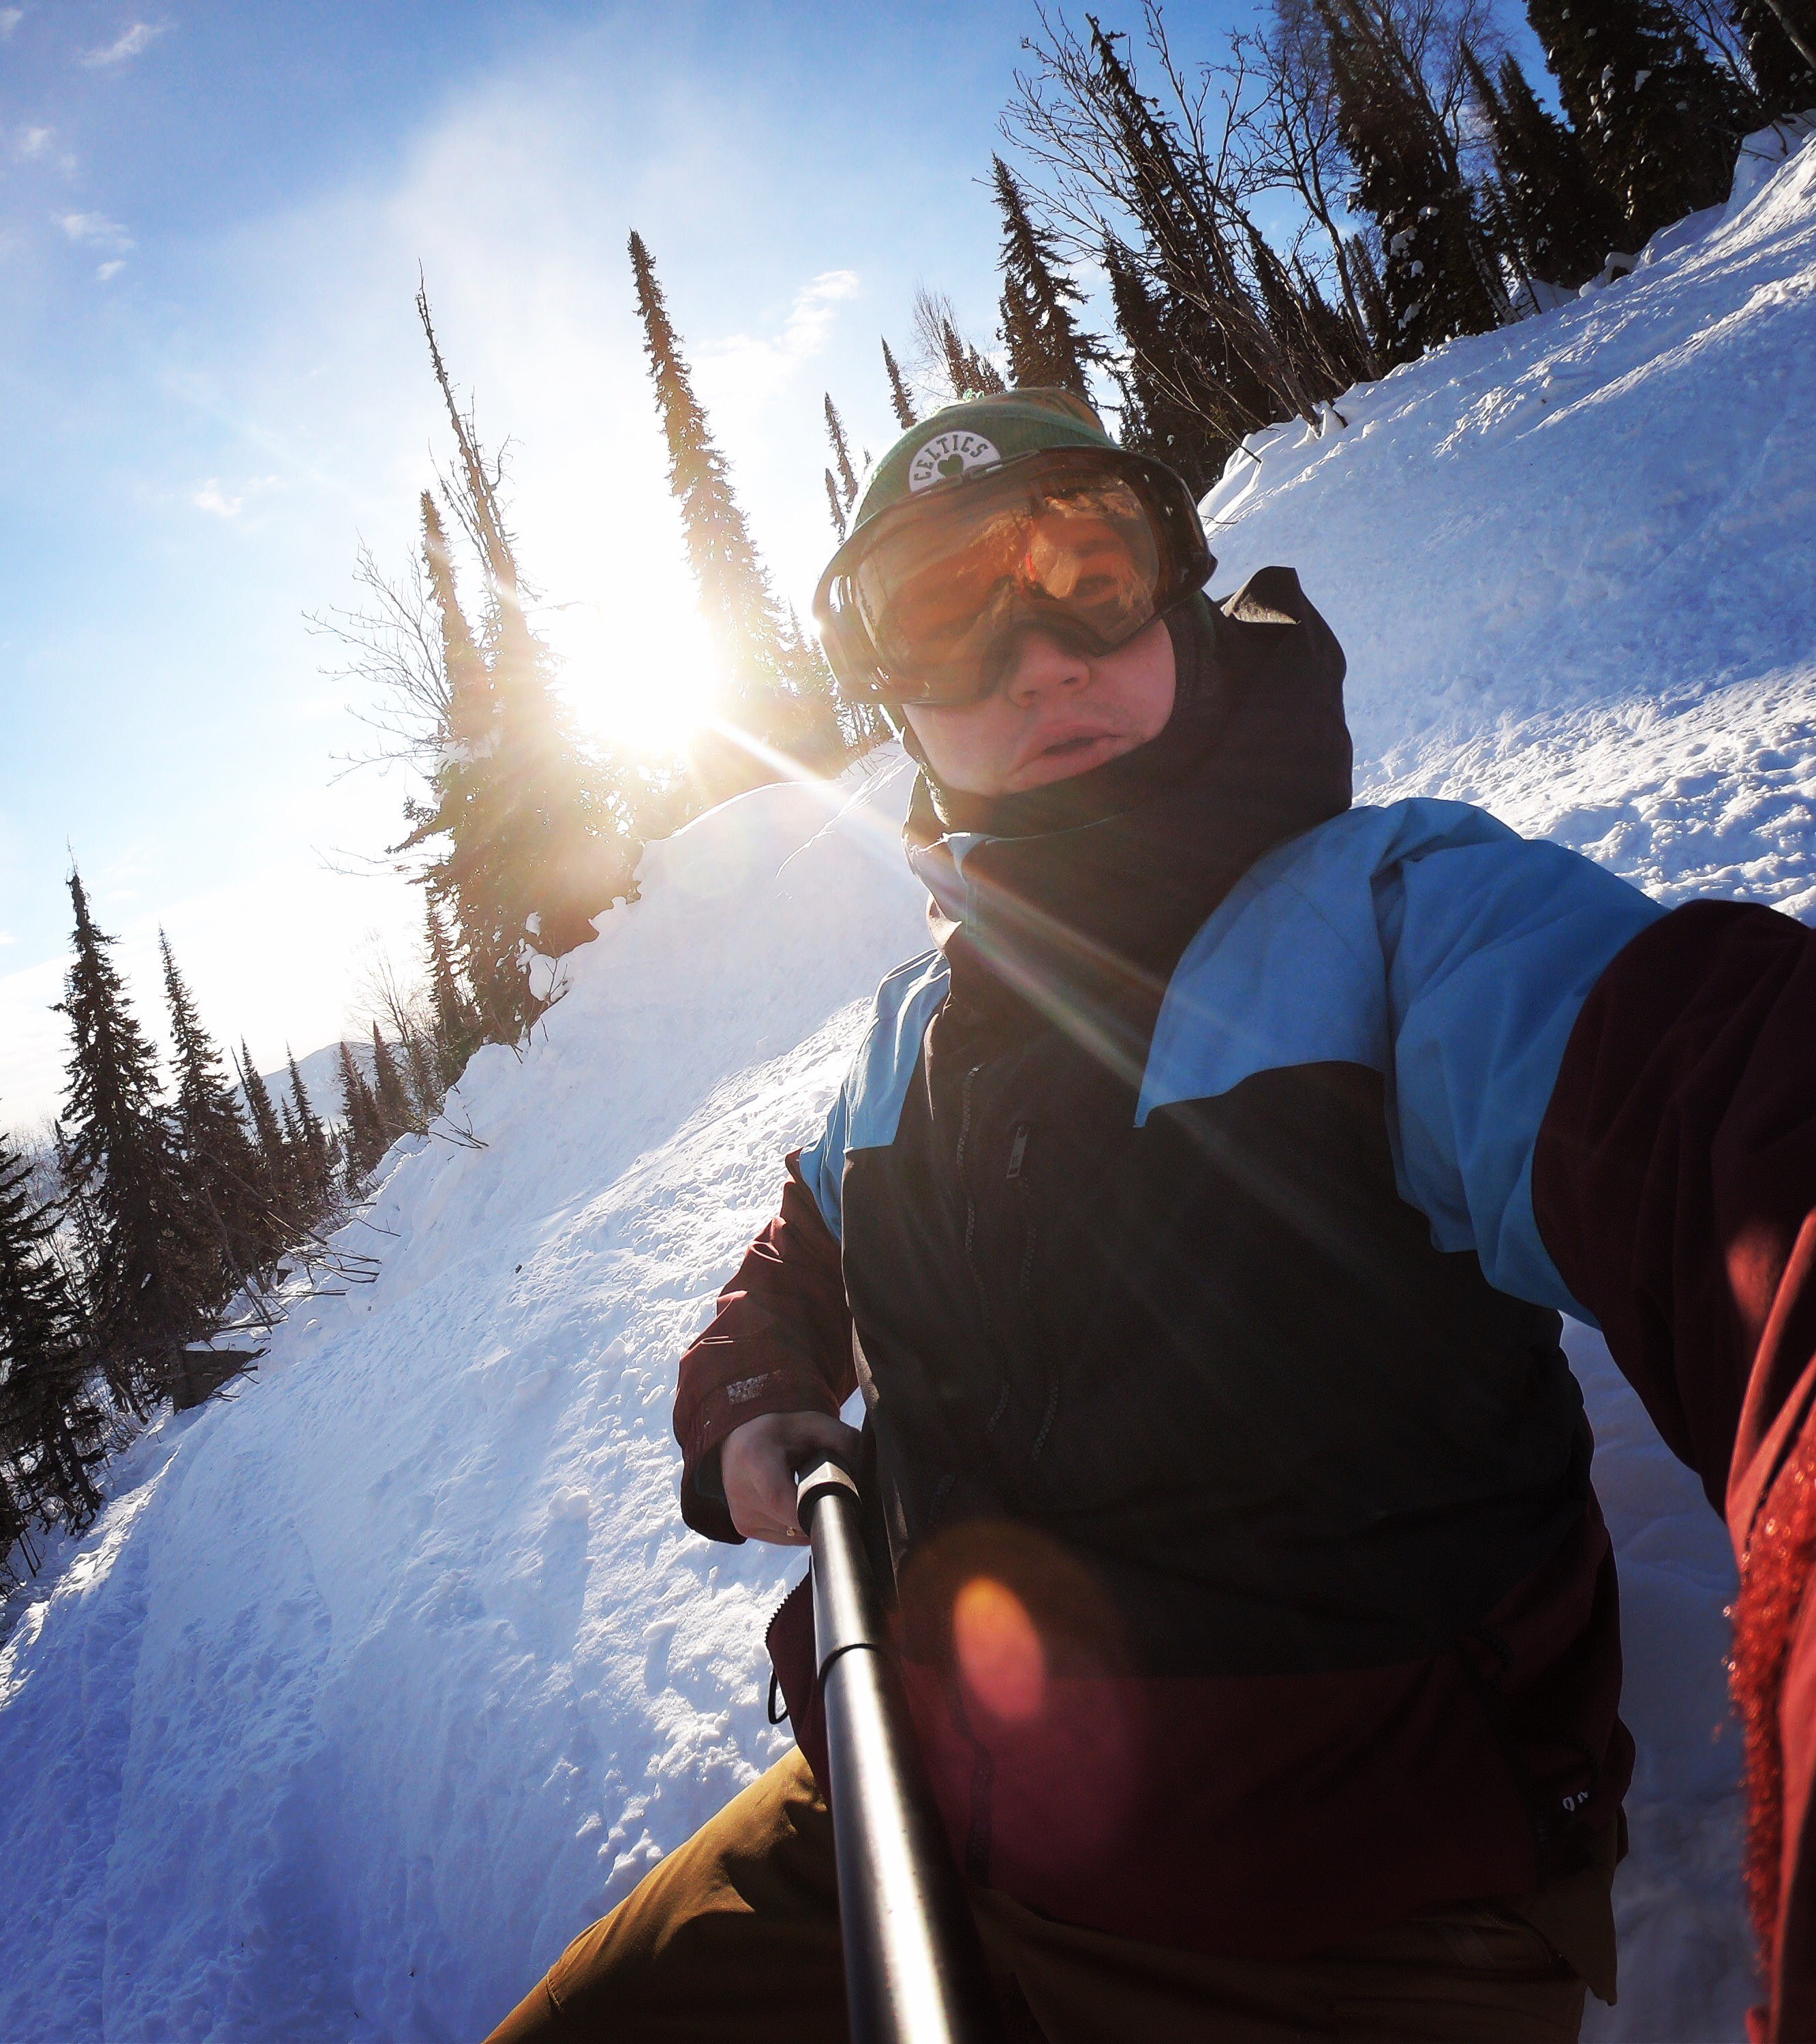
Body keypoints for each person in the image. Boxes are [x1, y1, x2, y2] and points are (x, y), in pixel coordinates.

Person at [488, 389, 1816, 2041]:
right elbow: (799, 1247)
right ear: (900, 711)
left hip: (1330, 1920)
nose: (1037, 656)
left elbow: (1716, 1116)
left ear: (1177, 592)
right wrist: (751, 1398)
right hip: (890, 1822)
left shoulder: (1396, 921)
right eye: (945, 615)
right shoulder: (915, 1030)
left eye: (1084, 573)